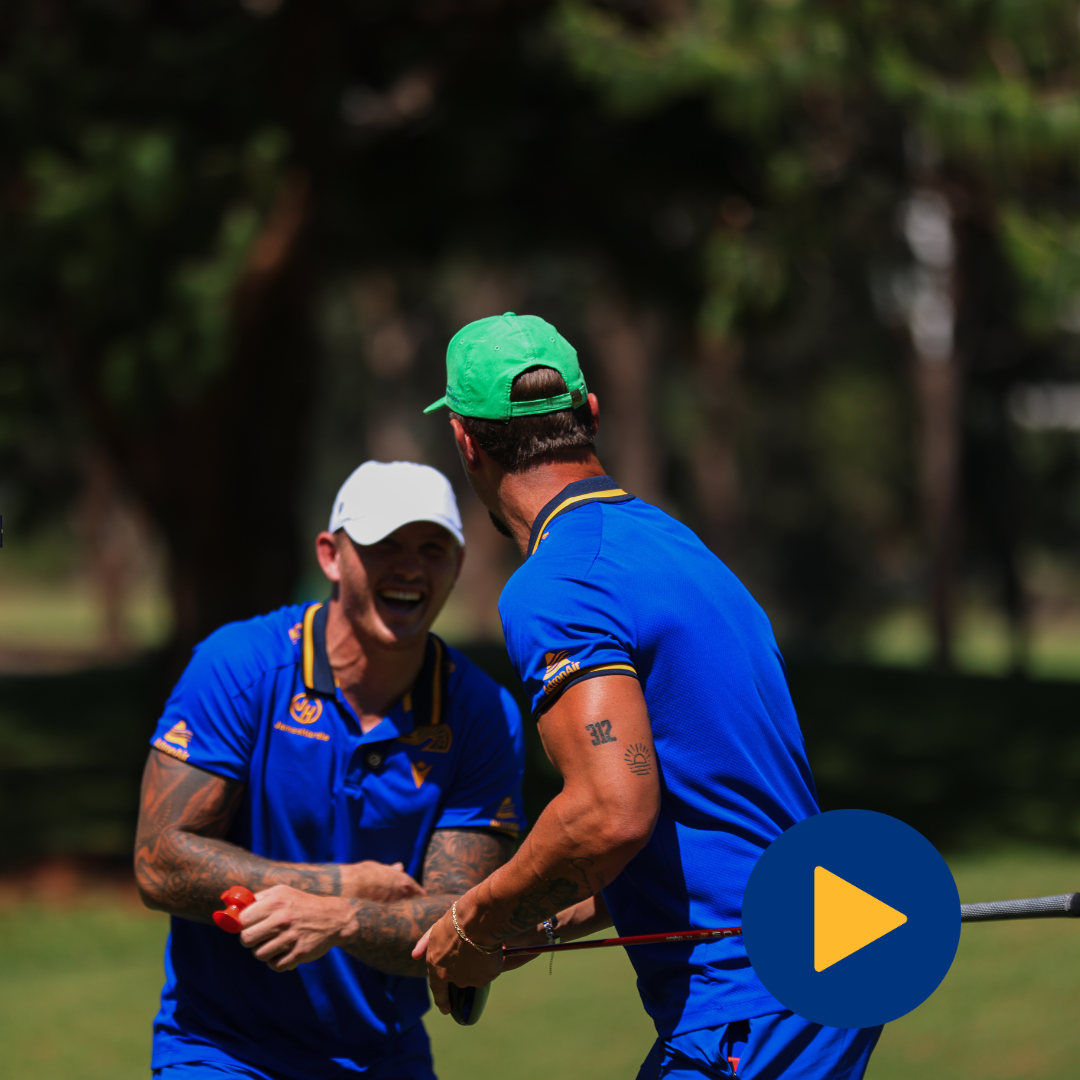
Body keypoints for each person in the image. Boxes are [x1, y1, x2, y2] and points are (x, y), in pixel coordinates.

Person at [416, 313, 881, 1079]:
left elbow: (609, 812)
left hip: (745, 1002)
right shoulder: (674, 545)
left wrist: (475, 923)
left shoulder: (558, 583)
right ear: (590, 414)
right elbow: (697, 792)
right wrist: (544, 912)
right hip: (809, 974)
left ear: (466, 441)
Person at [135, 460, 526, 1080]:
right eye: (384, 546)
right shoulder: (240, 665)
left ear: (457, 562)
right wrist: (345, 884)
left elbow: (459, 923)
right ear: (331, 555)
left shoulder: (481, 713)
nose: (409, 568)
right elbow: (159, 861)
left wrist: (340, 918)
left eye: (432, 548)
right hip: (221, 1051)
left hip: (383, 1057)